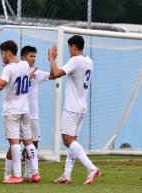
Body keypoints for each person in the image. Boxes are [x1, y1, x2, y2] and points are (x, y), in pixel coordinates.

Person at [49, 35, 101, 184]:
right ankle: (66, 175)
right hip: (82, 106)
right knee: (72, 140)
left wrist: (52, 59)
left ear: (73, 47)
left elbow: (57, 73)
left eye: (69, 48)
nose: (69, 51)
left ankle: (91, 168)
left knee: (67, 140)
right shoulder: (89, 61)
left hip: (72, 106)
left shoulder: (75, 60)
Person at [0, 40, 40, 184]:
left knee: (14, 143)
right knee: (29, 142)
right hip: (25, 110)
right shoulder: (25, 65)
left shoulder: (8, 68)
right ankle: (35, 173)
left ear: (8, 52)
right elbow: (22, 76)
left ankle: (18, 175)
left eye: (2, 54)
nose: (1, 57)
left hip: (12, 110)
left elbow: (0, 85)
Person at [20, 46, 53, 180]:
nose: (33, 59)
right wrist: (28, 77)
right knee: (15, 145)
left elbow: (53, 75)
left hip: (33, 116)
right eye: (30, 56)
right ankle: (10, 173)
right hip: (20, 114)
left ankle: (28, 173)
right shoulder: (17, 71)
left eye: (34, 56)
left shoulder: (37, 73)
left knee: (34, 144)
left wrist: (52, 59)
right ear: (23, 57)